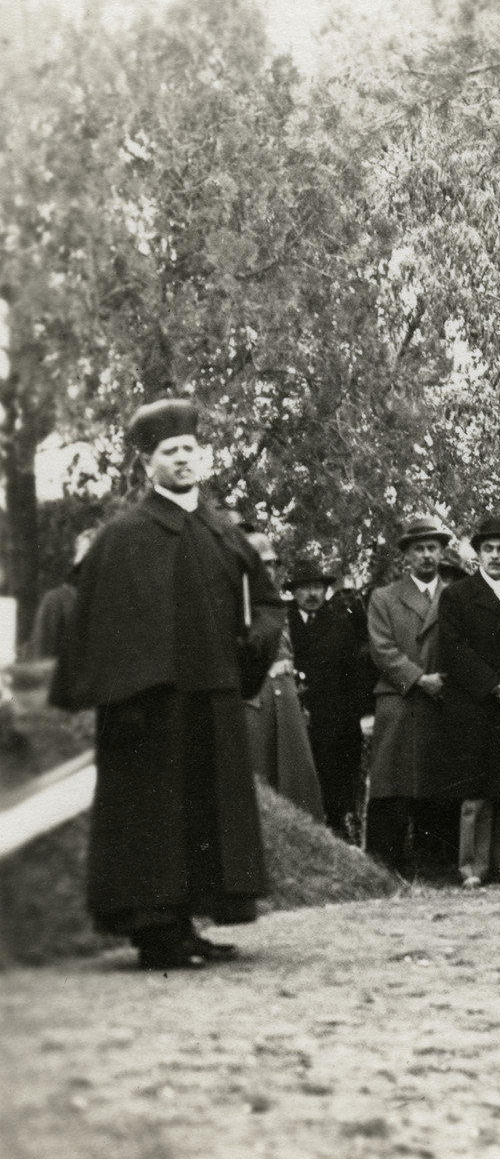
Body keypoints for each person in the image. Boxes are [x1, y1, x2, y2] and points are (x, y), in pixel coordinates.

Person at [50, 399, 285, 970]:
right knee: (156, 814)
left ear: (202, 457)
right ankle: (157, 931)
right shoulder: (124, 535)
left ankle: (187, 925)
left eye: (188, 450)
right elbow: (98, 622)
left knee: (204, 814)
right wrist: (122, 694)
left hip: (212, 697)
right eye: (168, 452)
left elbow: (268, 603)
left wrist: (257, 640)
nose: (182, 459)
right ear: (148, 465)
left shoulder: (224, 534)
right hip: (150, 707)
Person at [439, 518, 500, 888]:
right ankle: (473, 867)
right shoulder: (457, 595)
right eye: (488, 549)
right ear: (477, 553)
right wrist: (491, 684)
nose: (495, 556)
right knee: (476, 791)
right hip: (475, 703)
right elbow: (453, 648)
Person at [364, 514, 451, 877]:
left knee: (437, 782)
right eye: (419, 549)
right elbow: (381, 650)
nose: (427, 556)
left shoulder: (455, 596)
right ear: (407, 556)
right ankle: (384, 866)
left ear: (441, 553)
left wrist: (445, 681)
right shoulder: (384, 597)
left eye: (433, 548)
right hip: (399, 700)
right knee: (393, 783)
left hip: (441, 700)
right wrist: (418, 678)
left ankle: (434, 864)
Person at [242, 531, 326, 822]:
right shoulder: (231, 605)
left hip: (286, 698)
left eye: (270, 565)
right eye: (258, 563)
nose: (265, 571)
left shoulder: (278, 605)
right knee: (258, 779)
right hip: (254, 699)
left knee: (297, 783)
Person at [287, 557, 373, 840]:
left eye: (317, 587)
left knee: (334, 783)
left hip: (334, 722)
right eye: (304, 588)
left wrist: (353, 718)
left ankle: (337, 829)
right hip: (291, 716)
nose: (312, 594)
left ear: (325, 591)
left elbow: (355, 678)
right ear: (293, 591)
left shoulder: (340, 625)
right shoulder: (282, 625)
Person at [26, 527, 97, 660]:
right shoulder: (56, 601)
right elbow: (41, 657)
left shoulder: (117, 602)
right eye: (87, 554)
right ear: (76, 560)